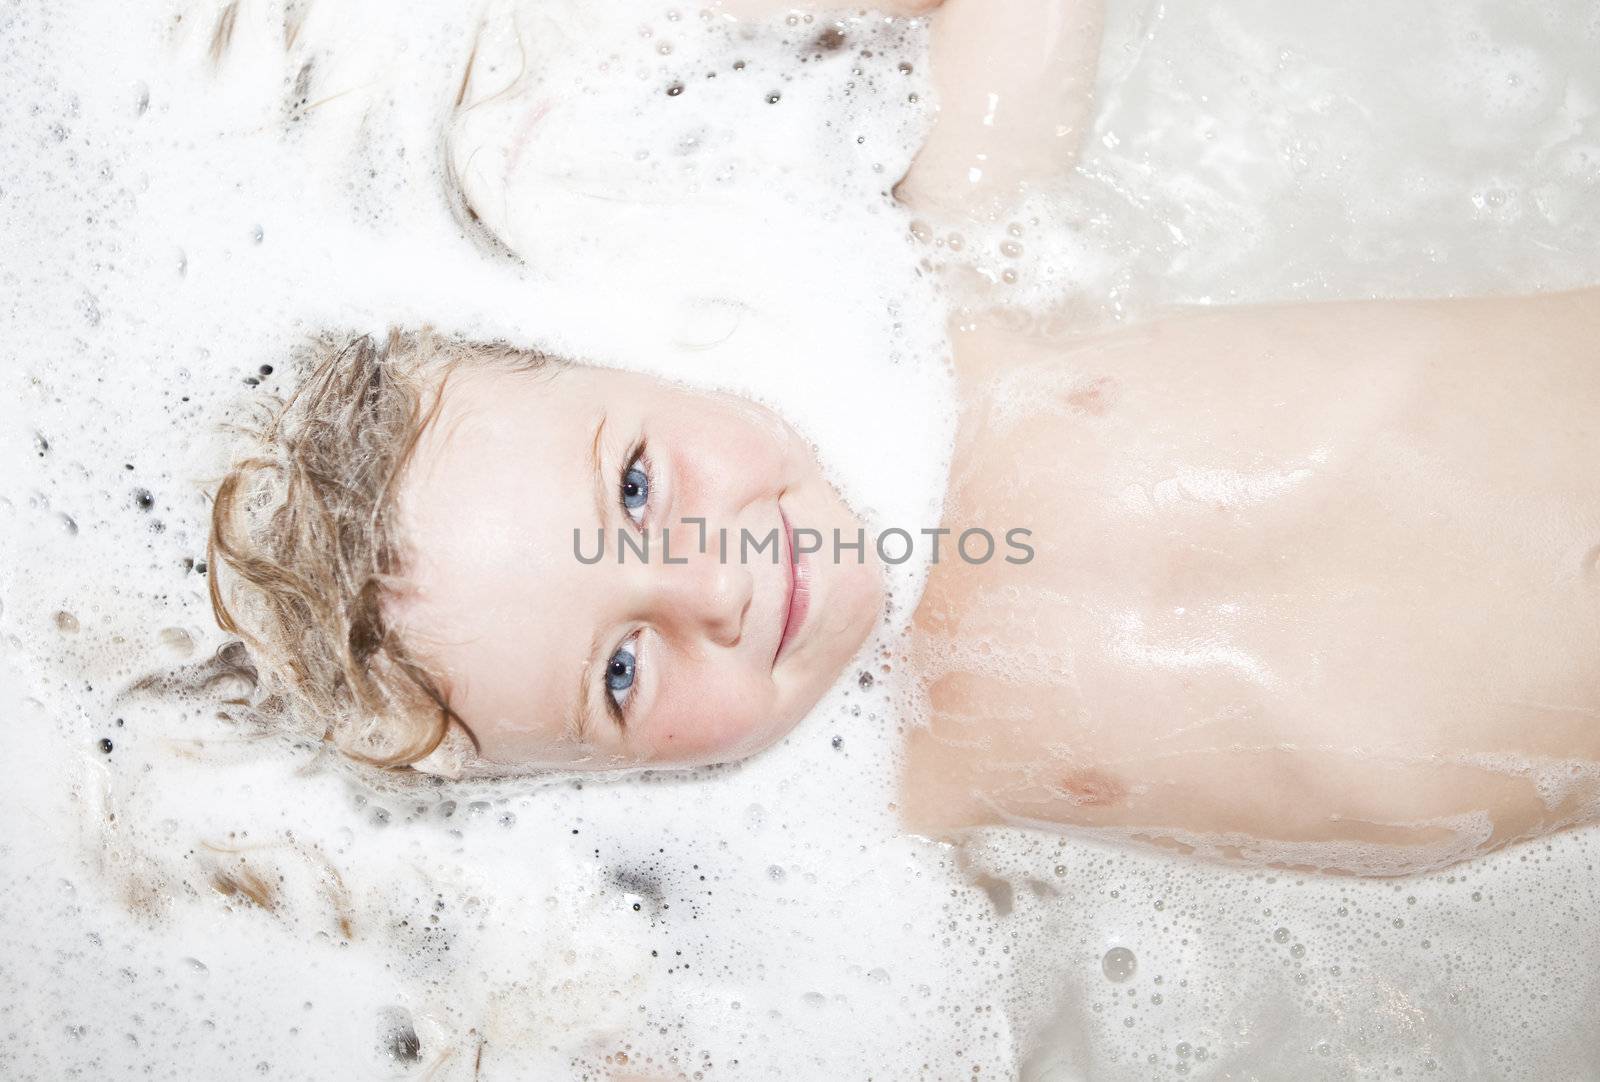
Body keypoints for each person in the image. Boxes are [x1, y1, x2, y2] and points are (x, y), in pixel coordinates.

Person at [209, 0, 1600, 876]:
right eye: (623, 669)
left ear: (628, 339)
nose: (711, 584)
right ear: (588, 778)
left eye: (636, 483)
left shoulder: (954, 295)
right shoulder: (872, 824)